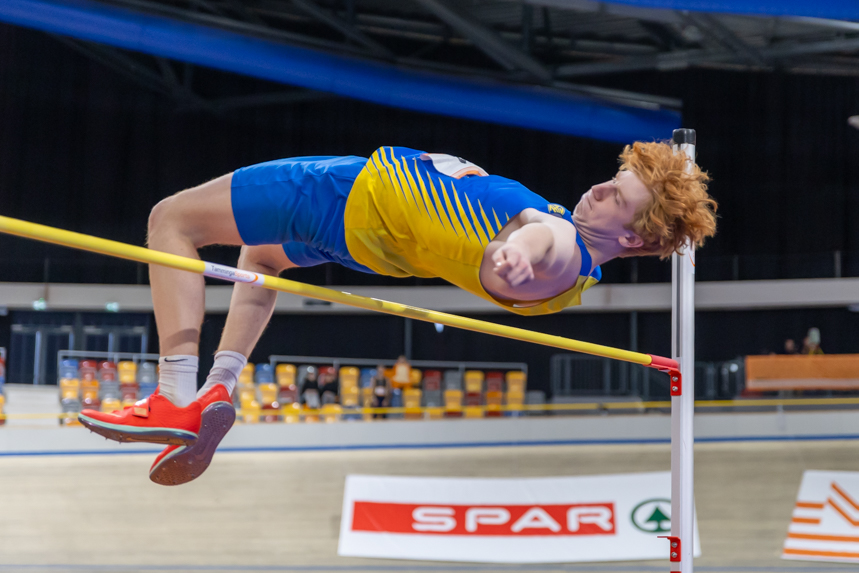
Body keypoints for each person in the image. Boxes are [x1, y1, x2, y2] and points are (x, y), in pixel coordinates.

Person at [78, 142, 717, 485]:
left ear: (632, 236)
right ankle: (219, 385)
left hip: (346, 196)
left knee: (172, 220)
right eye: (610, 179)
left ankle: (172, 395)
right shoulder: (578, 274)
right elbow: (530, 230)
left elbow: (534, 238)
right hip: (372, 244)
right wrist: (507, 218)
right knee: (262, 258)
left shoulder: (558, 245)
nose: (597, 188)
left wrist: (515, 250)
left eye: (614, 195)